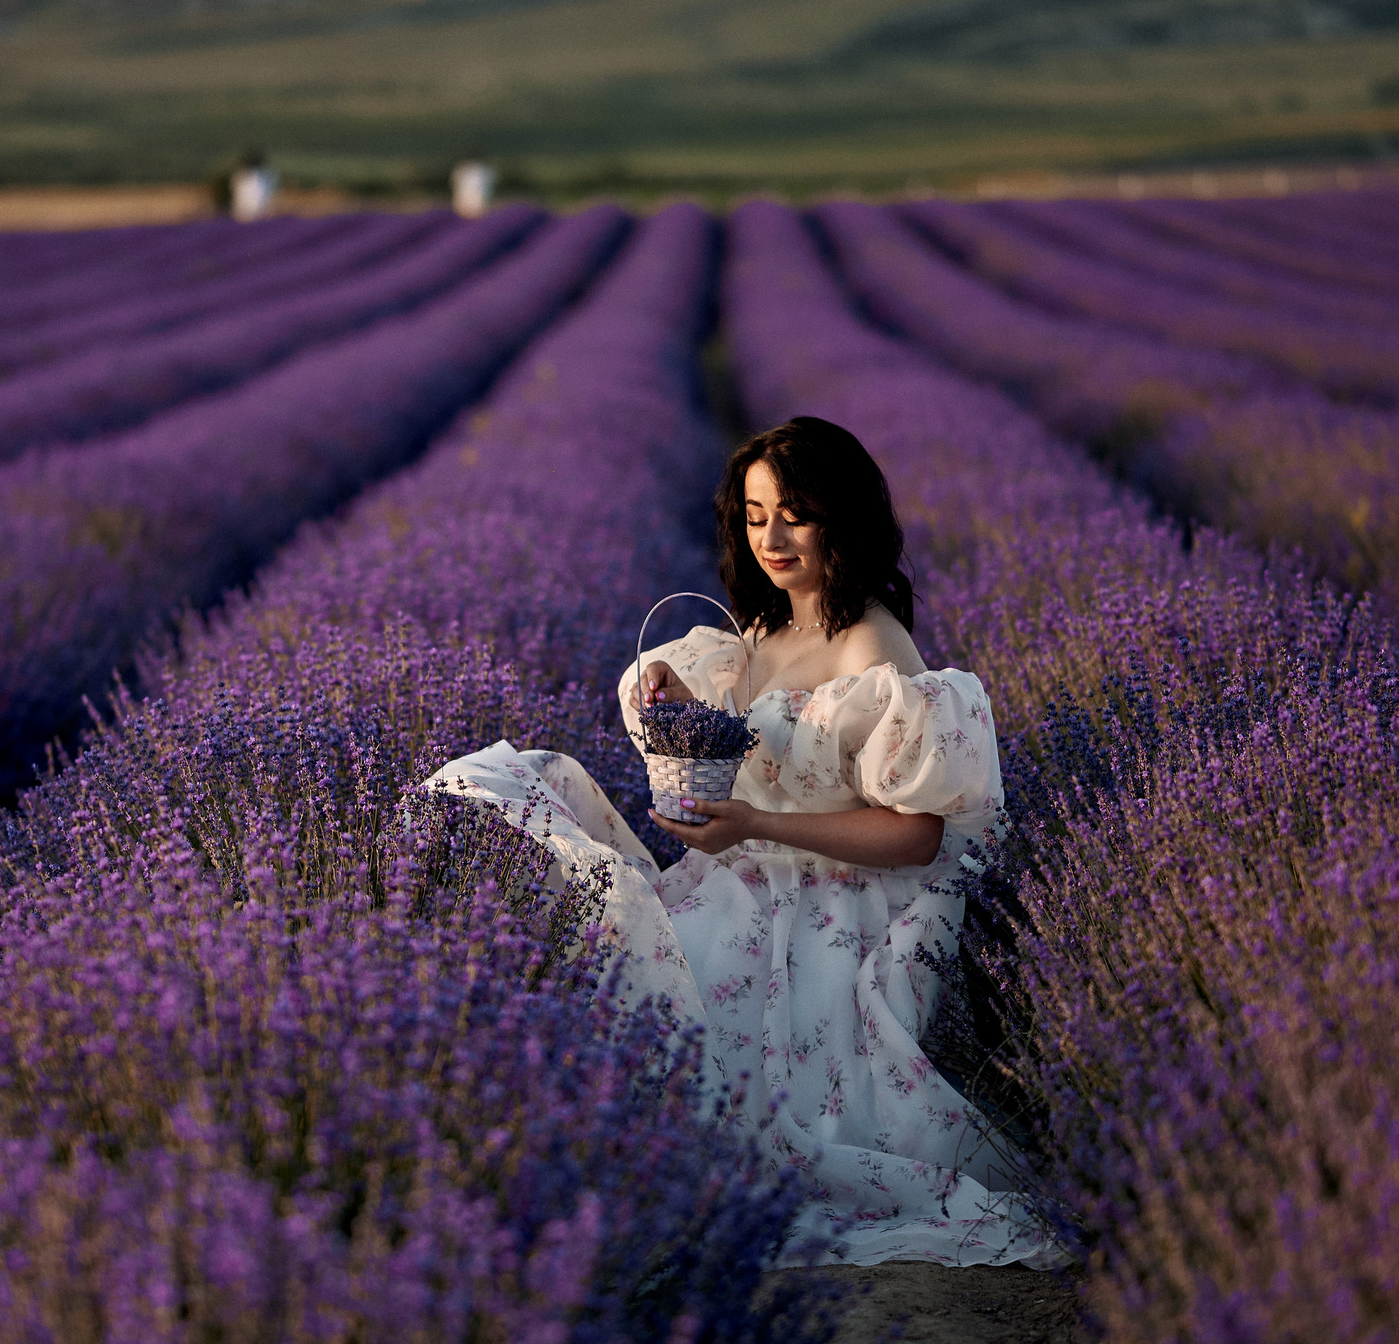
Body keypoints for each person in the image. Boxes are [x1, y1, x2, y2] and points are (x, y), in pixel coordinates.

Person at [427, 417, 1070, 1269]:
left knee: (678, 1000)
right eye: (755, 513)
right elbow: (755, 751)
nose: (770, 536)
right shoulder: (760, 634)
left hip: (842, 902)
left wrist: (755, 828)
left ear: (841, 519)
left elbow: (917, 837)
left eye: (793, 514)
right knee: (609, 946)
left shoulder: (873, 644)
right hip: (743, 874)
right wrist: (679, 698)